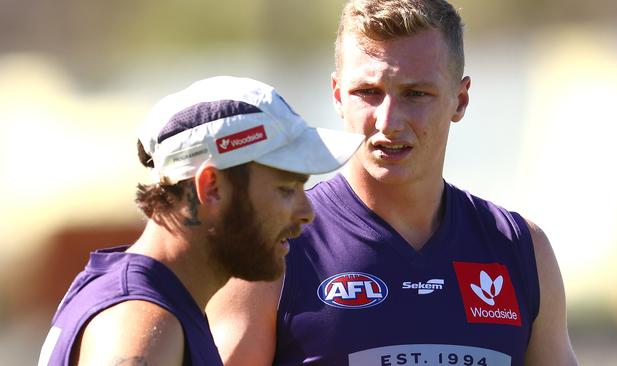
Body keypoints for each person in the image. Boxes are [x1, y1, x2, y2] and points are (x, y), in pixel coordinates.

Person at [207, 1, 579, 366]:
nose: (389, 121)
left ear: (460, 100)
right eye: (368, 93)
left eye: (416, 94)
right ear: (338, 95)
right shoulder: (274, 245)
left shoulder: (521, 250)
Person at [36, 76, 363, 366]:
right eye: (285, 189)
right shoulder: (142, 325)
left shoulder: (157, 307)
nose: (306, 211)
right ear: (211, 187)